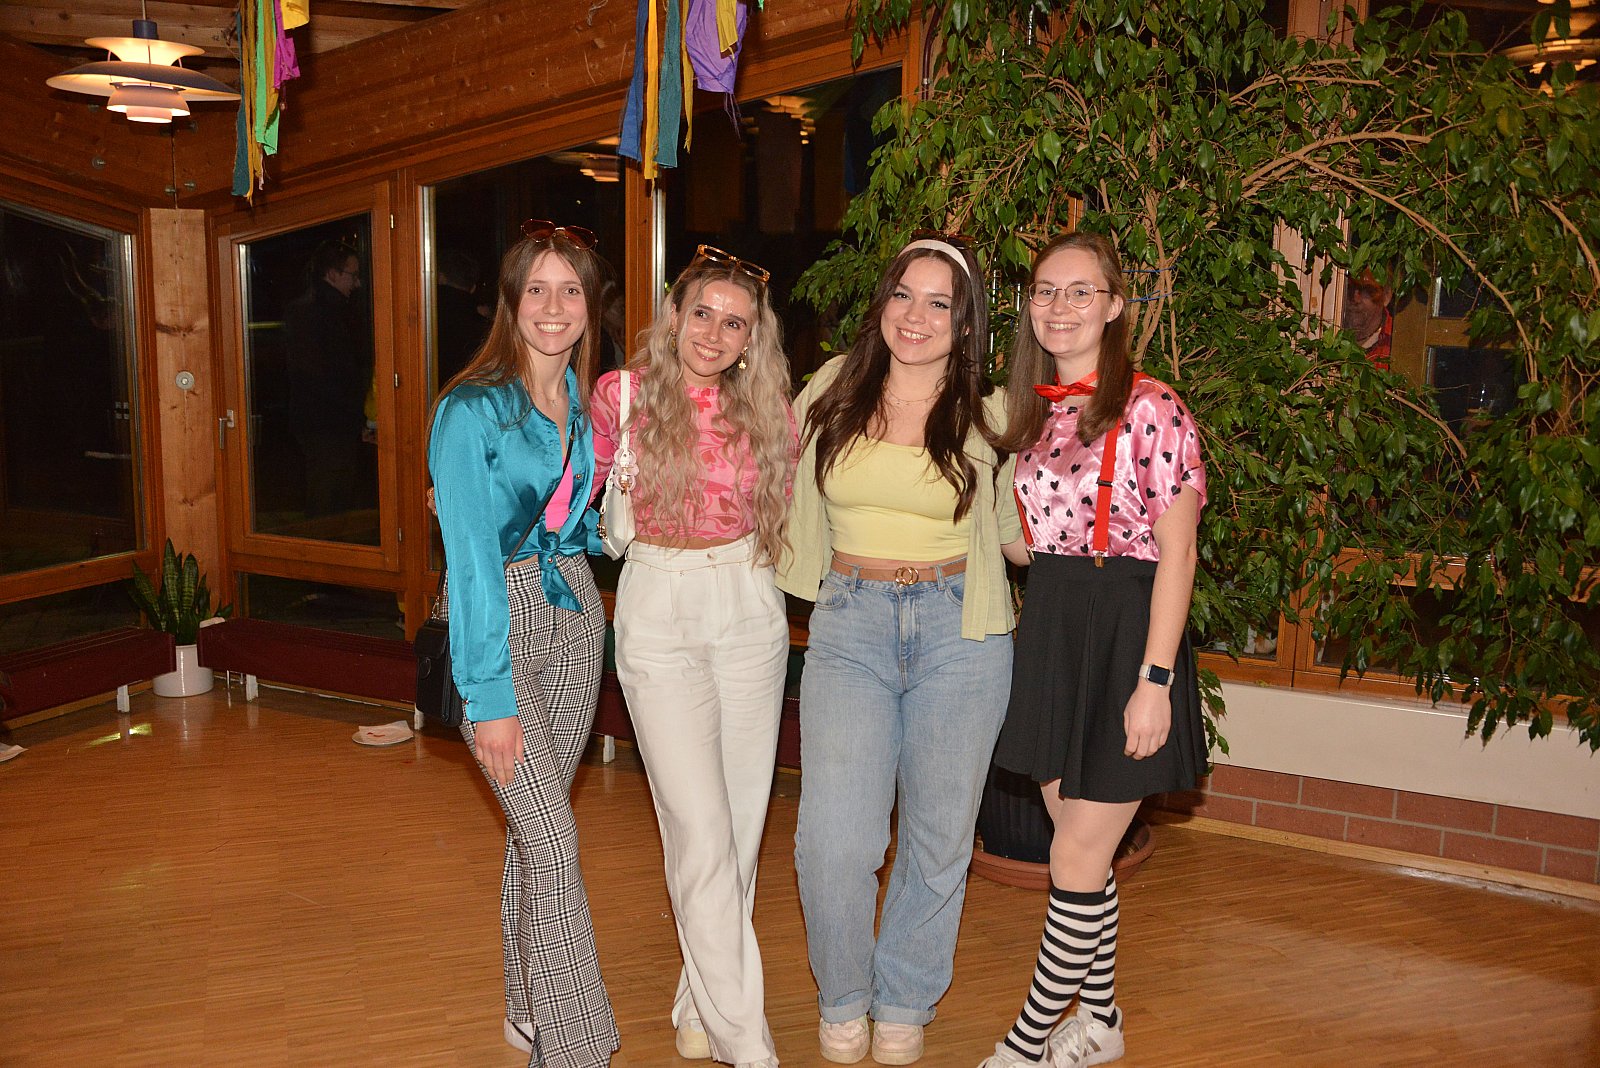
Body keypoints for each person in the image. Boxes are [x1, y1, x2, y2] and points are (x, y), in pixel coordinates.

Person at [776, 235, 1024, 1066]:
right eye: (904, 295)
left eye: (939, 303)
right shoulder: (831, 388)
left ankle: (906, 996)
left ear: (966, 323)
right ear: (882, 302)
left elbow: (1020, 536)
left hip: (963, 631)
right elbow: (758, 470)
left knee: (938, 835)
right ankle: (843, 994)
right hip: (850, 622)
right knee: (835, 839)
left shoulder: (991, 414)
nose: (916, 316)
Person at [979, 231, 1207, 1068]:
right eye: (1045, 290)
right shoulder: (1031, 413)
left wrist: (1154, 680)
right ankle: (1102, 1020)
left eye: (1081, 291)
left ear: (1114, 305)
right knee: (1085, 851)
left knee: (1074, 854)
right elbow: (1025, 548)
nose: (1060, 306)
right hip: (1052, 627)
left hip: (1125, 631)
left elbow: (1179, 553)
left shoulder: (1152, 406)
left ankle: (1027, 1040)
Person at [589, 245, 796, 1068]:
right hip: (658, 604)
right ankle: (749, 1045)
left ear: (752, 339)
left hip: (748, 602)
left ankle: (700, 1001)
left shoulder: (771, 406)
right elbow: (574, 492)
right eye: (701, 313)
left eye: (734, 323)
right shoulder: (622, 394)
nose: (713, 333)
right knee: (699, 829)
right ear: (673, 315)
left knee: (739, 827)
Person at [427, 219, 619, 1067]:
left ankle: (527, 1005)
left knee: (534, 837)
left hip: (575, 614)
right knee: (554, 839)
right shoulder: (470, 409)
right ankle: (576, 1051)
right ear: (510, 301)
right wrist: (489, 695)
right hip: (496, 622)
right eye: (536, 288)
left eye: (569, 289)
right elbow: (469, 563)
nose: (553, 305)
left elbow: (578, 525)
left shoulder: (586, 406)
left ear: (589, 304)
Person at [284, 241, 371, 516]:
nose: (357, 283)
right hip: (326, 420)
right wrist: (355, 410)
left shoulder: (327, 310)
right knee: (329, 492)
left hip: (328, 418)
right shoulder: (319, 313)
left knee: (334, 488)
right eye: (352, 275)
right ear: (332, 274)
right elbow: (320, 374)